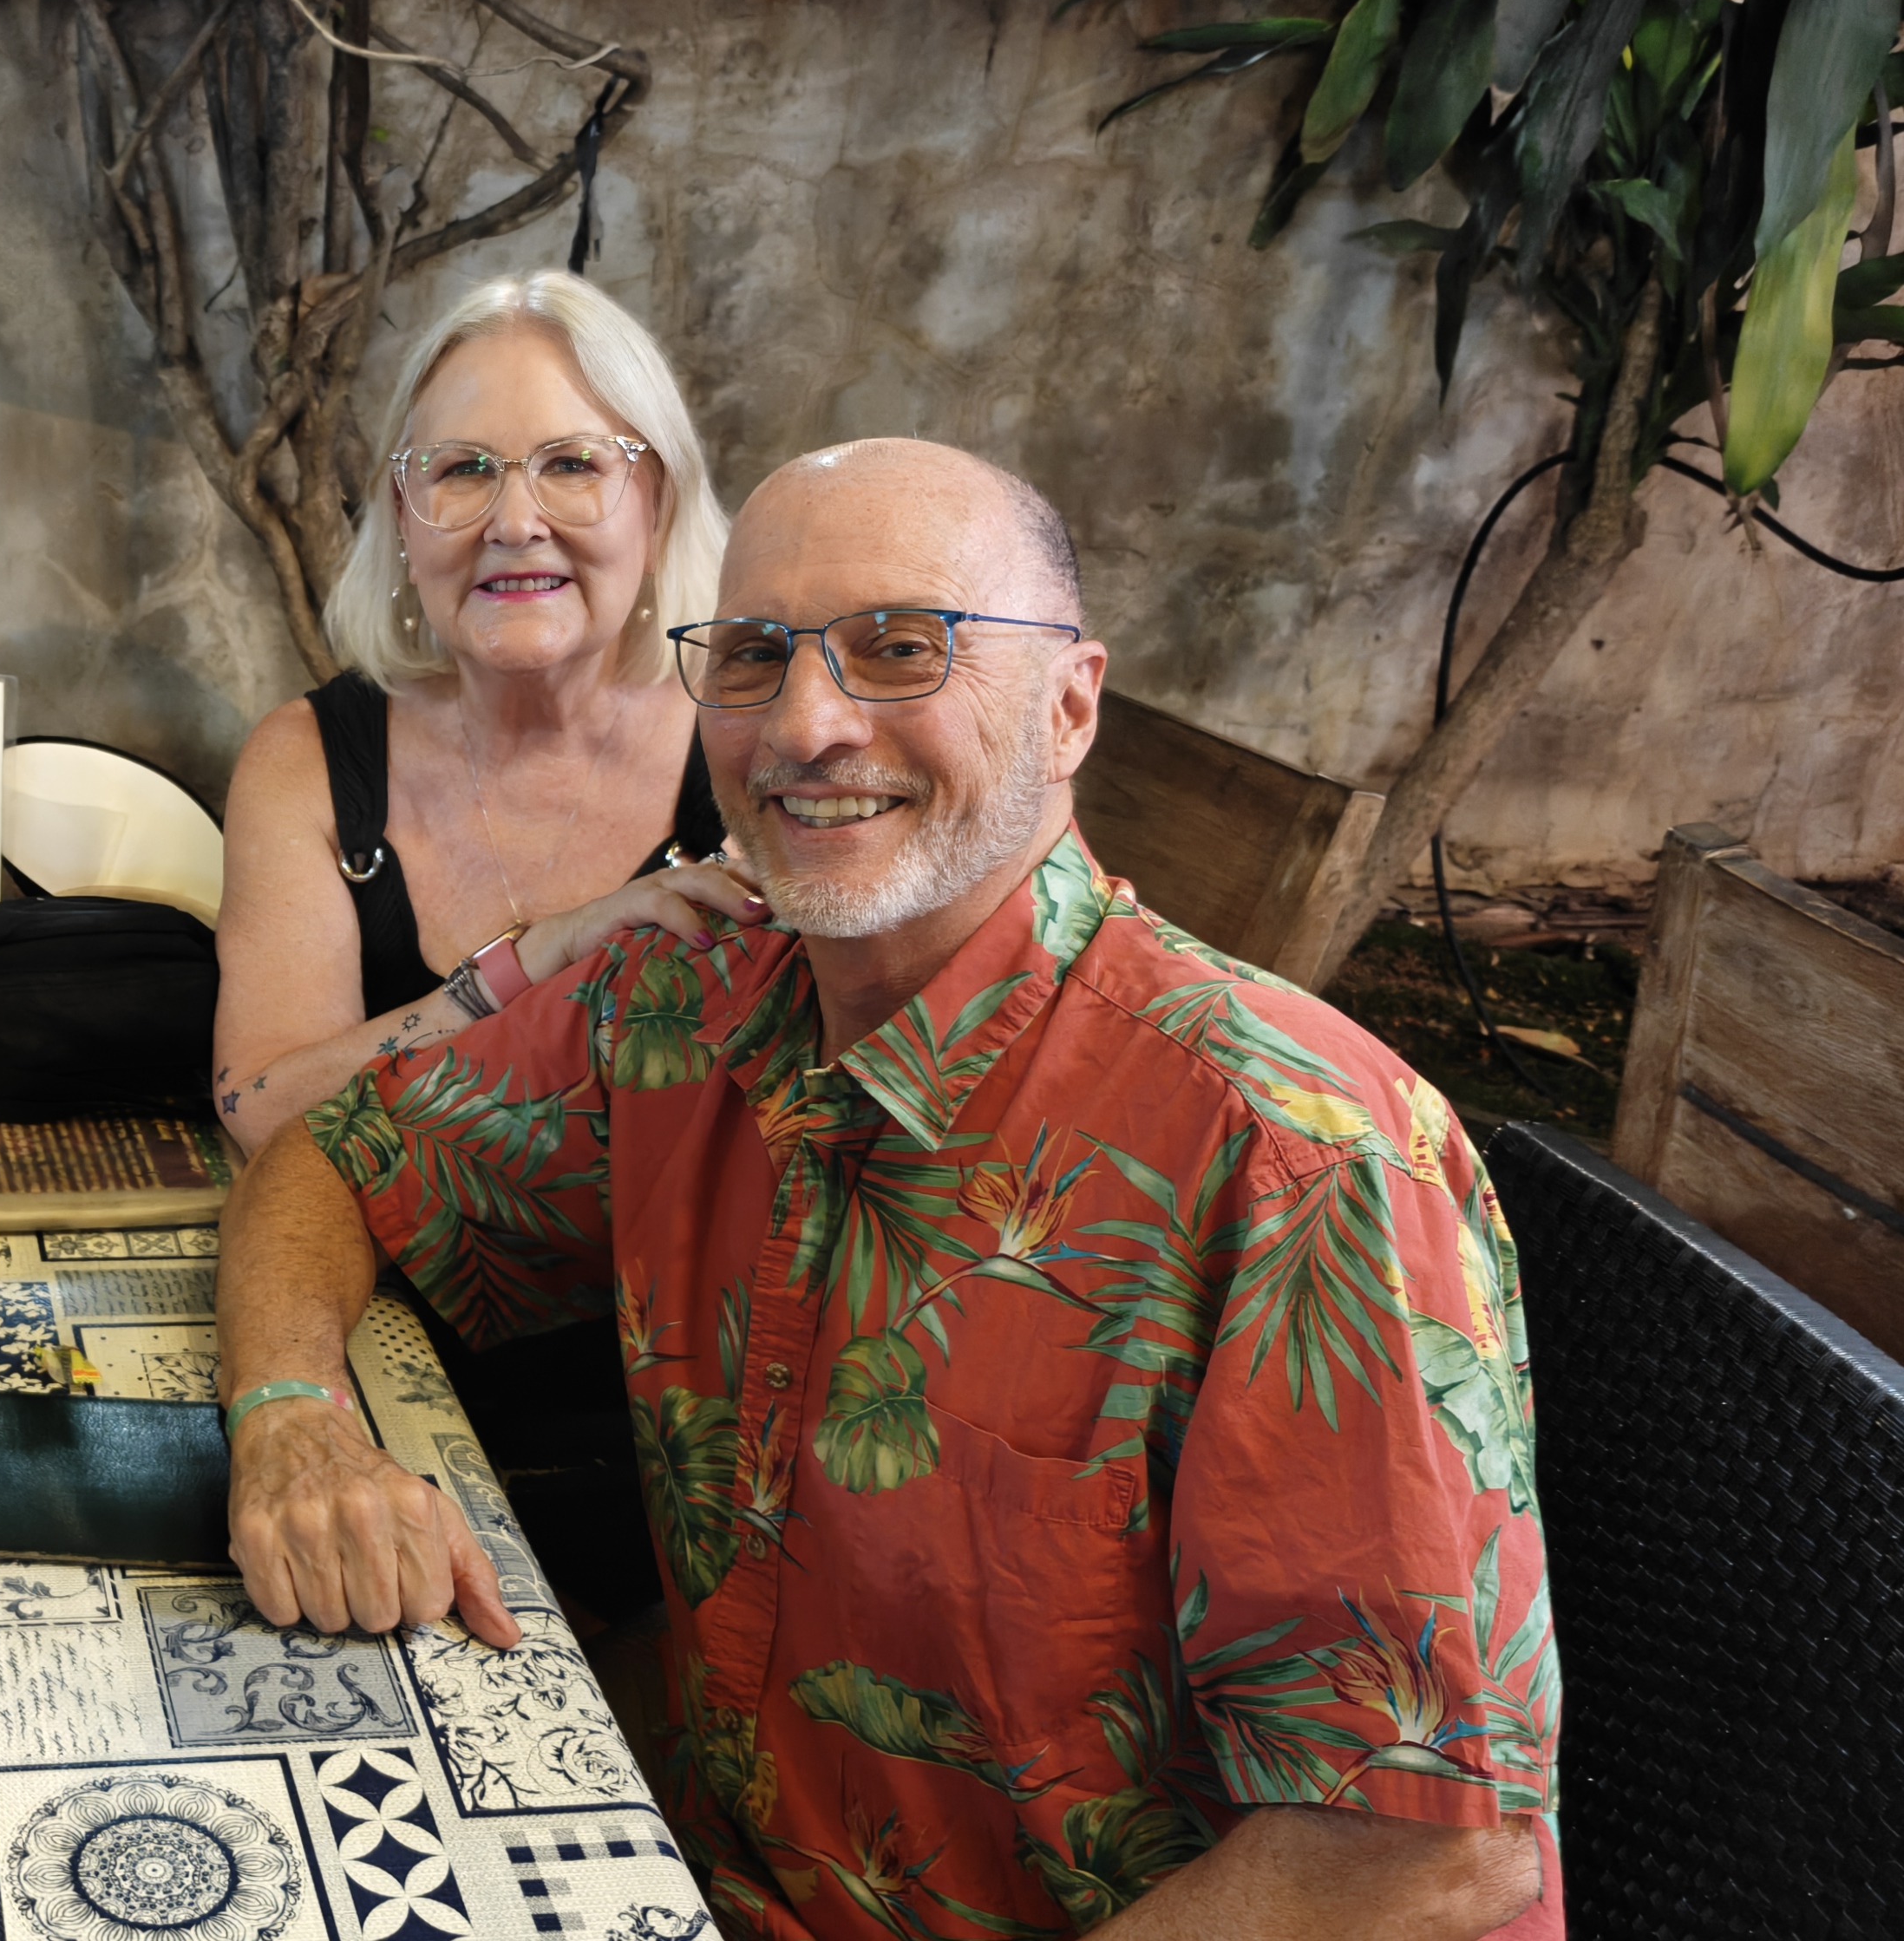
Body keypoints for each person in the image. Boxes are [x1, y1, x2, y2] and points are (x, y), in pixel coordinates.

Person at [213, 438, 1560, 1938]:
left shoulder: (1302, 1159)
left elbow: (1420, 1859)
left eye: (903, 649)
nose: (806, 724)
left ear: (1070, 705)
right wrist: (291, 1419)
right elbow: (336, 1158)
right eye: (753, 655)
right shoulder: (683, 1001)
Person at [210, 272, 765, 1627]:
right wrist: (532, 959)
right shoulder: (312, 757)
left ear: (659, 500)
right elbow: (264, 1107)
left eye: (574, 464)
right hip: (382, 1363)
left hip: (691, 1434)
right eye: (461, 470)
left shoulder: (760, 753)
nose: (516, 520)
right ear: (404, 520)